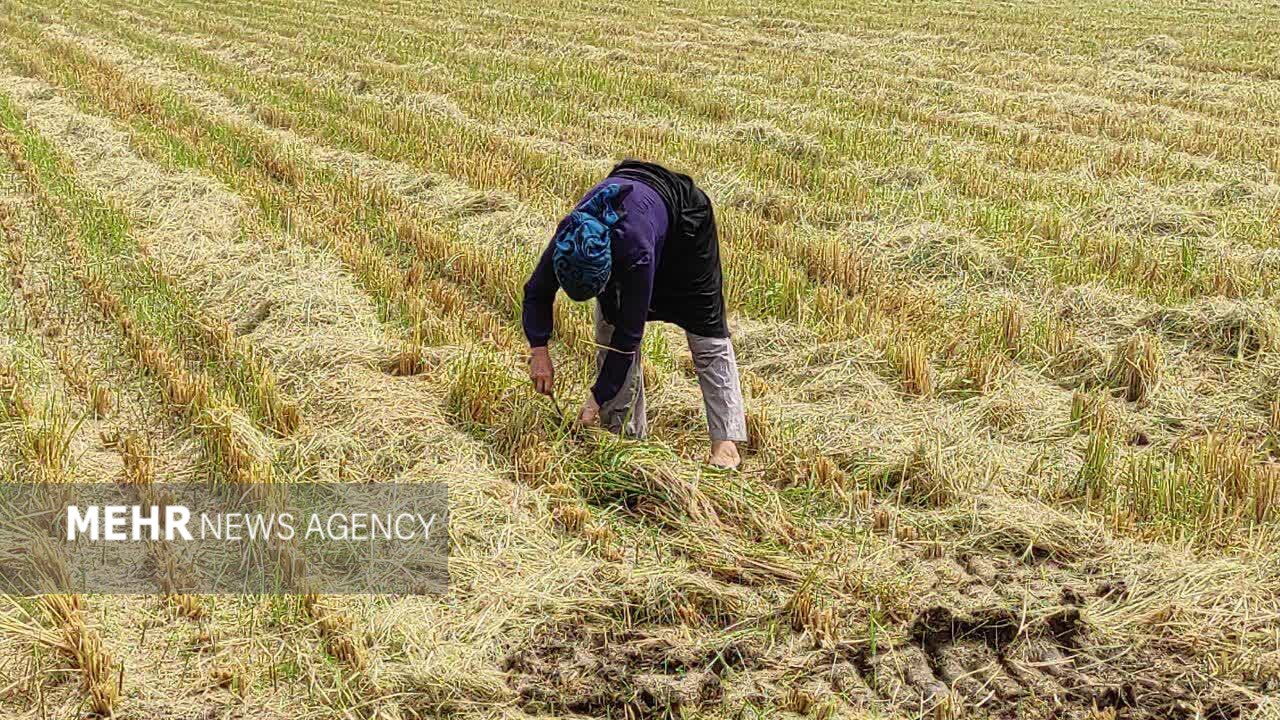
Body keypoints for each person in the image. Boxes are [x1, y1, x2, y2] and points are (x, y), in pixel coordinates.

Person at [522, 159, 747, 469]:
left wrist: (596, 397)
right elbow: (536, 290)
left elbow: (629, 337)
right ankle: (625, 435)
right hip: (635, 212)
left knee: (706, 335)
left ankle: (726, 444)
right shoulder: (570, 237)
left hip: (685, 227)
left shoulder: (635, 254)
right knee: (607, 327)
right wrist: (539, 349)